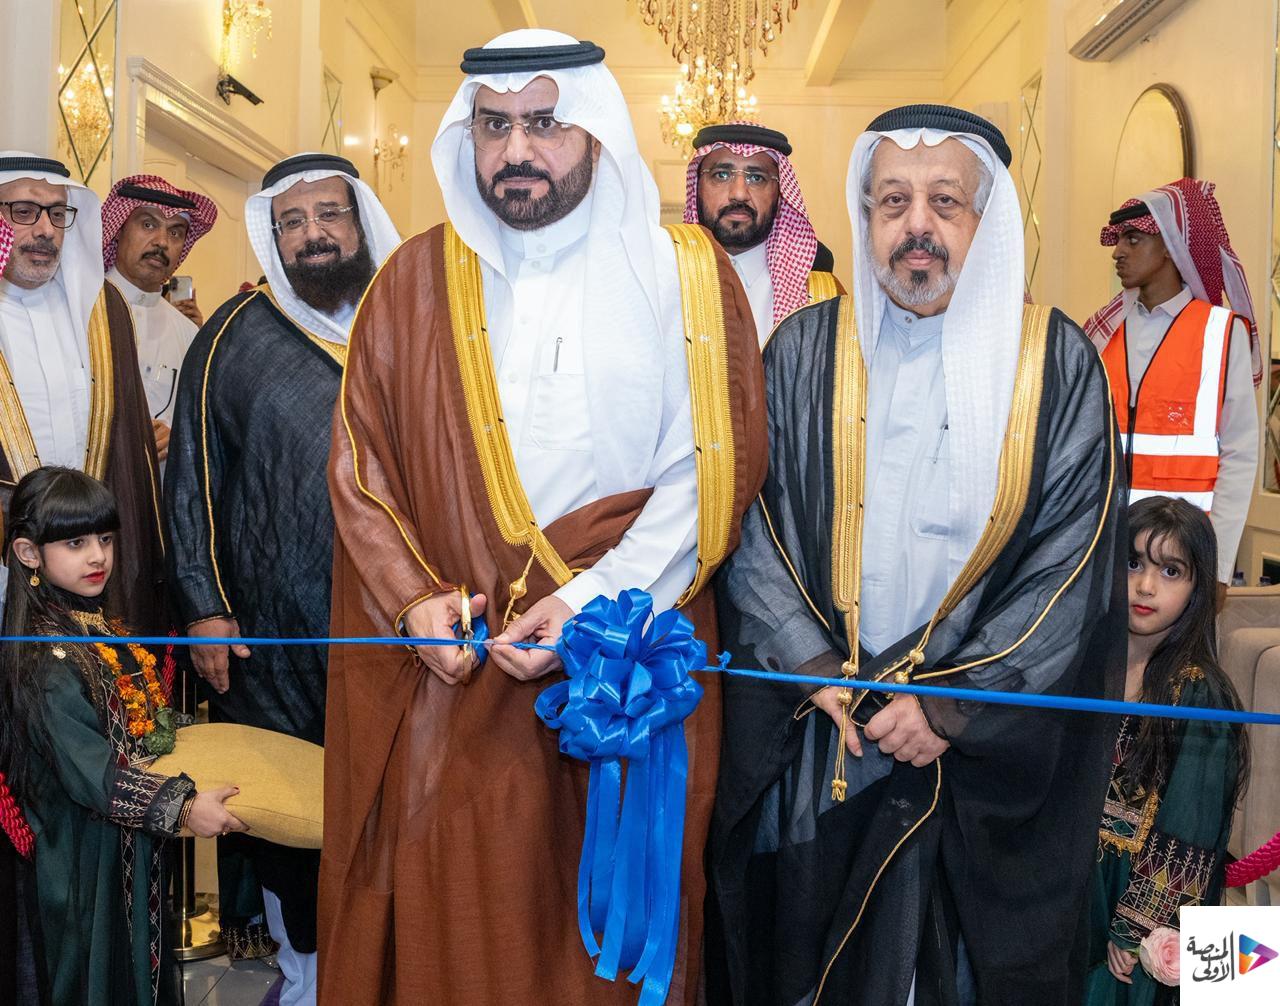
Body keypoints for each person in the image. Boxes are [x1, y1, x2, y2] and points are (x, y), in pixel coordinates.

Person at [318, 28, 766, 1005]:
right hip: (460, 671)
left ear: (595, 130)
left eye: (545, 124)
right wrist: (409, 600)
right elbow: (361, 467)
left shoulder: (682, 274)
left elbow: (714, 472)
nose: (516, 149)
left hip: (628, 662)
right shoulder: (410, 283)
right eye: (493, 126)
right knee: (461, 920)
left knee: (605, 945)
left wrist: (595, 600)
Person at [706, 104, 1128, 1005]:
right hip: (827, 729)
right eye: (893, 201)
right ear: (866, 217)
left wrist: (951, 705)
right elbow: (753, 531)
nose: (918, 226)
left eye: (946, 201)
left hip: (974, 753)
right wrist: (811, 665)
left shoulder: (1057, 365)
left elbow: (1071, 563)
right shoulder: (802, 349)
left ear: (987, 219)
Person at [164, 151, 399, 1005]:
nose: (313, 235)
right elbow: (191, 476)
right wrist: (206, 608)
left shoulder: (407, 318)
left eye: (329, 214)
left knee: (393, 800)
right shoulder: (234, 333)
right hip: (271, 631)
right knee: (292, 814)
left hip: (397, 624)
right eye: (291, 222)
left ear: (361, 219)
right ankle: (304, 980)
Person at [0, 466, 245, 1006]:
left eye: (106, 539)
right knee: (96, 978)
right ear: (28, 553)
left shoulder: (100, 628)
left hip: (125, 845)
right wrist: (183, 809)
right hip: (82, 859)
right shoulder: (42, 656)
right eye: (76, 543)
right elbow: (92, 772)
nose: (98, 557)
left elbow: (144, 727)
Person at [0, 153, 170, 641]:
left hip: (93, 565)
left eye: (57, 213)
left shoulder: (101, 307)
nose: (46, 230)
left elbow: (126, 444)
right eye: (24, 212)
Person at [1085, 496, 1248, 1004]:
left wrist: (1138, 926)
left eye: (1171, 571)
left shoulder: (1200, 692)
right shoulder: (1086, 666)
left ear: (1198, 588)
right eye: (1133, 563)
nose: (1146, 586)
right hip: (1077, 889)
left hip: (1138, 910)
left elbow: (1191, 822)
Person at [1085, 179, 1260, 603]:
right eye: (1118, 240)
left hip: (1181, 558)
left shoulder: (1221, 332)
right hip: (1105, 552)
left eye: (1133, 239)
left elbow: (1239, 455)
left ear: (1171, 247)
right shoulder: (1102, 332)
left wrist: (1217, 566)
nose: (1117, 252)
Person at [686, 121, 842, 344]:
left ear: (779, 193)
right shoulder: (668, 272)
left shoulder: (817, 289)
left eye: (756, 178)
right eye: (721, 175)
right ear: (697, 187)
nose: (739, 194)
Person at [101, 174, 217, 463]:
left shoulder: (189, 334)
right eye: (148, 225)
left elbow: (202, 424)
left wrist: (175, 437)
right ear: (119, 229)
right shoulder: (81, 309)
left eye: (175, 232)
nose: (162, 242)